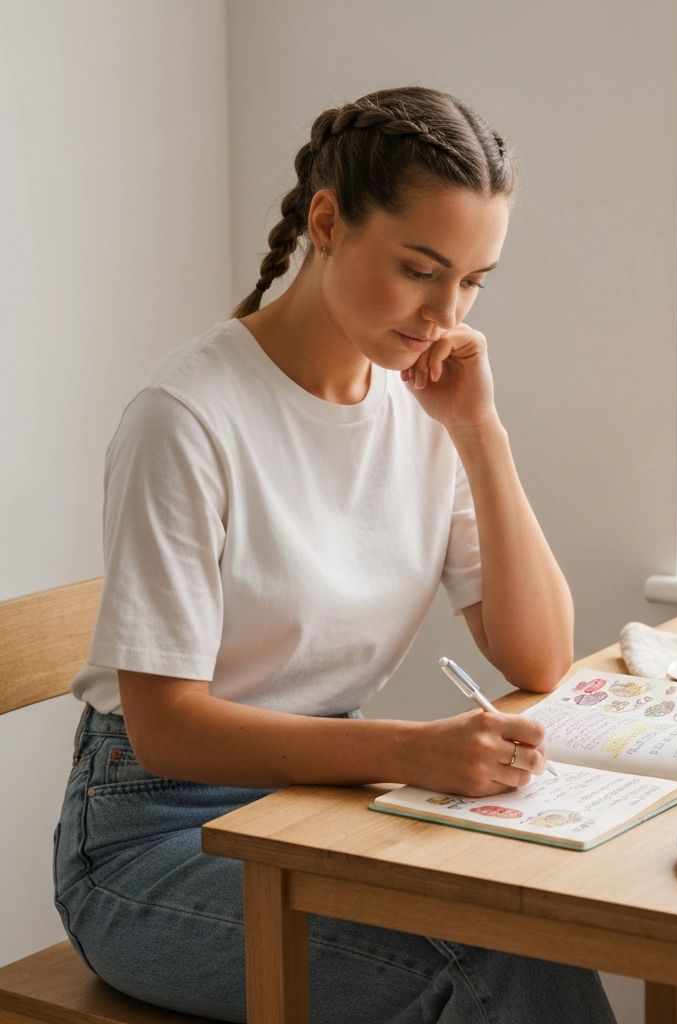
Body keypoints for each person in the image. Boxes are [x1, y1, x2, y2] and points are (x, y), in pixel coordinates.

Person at [53, 85, 616, 1024]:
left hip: (317, 806)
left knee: (537, 933)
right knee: (488, 974)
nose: (446, 313)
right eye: (420, 269)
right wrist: (413, 753)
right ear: (327, 222)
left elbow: (538, 657)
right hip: (153, 839)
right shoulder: (187, 417)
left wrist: (481, 435)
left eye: (474, 281)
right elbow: (167, 730)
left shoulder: (426, 402)